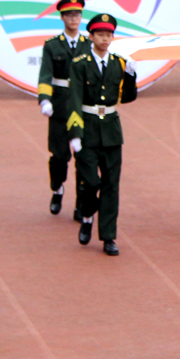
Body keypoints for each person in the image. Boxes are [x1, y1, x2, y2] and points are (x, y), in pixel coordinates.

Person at [67, 14, 138, 256]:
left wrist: (130, 75)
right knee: (91, 183)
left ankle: (108, 236)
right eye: (100, 35)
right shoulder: (80, 63)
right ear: (91, 37)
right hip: (86, 127)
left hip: (110, 129)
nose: (105, 39)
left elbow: (127, 98)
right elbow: (74, 99)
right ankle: (87, 215)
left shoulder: (118, 63)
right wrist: (75, 133)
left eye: (109, 35)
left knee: (110, 185)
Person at [37, 0, 91, 217]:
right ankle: (57, 188)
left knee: (84, 157)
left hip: (82, 107)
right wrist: (45, 100)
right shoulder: (52, 45)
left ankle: (80, 203)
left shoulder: (89, 44)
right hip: (59, 106)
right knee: (59, 155)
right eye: (69, 15)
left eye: (77, 15)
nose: (74, 19)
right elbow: (45, 74)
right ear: (62, 17)